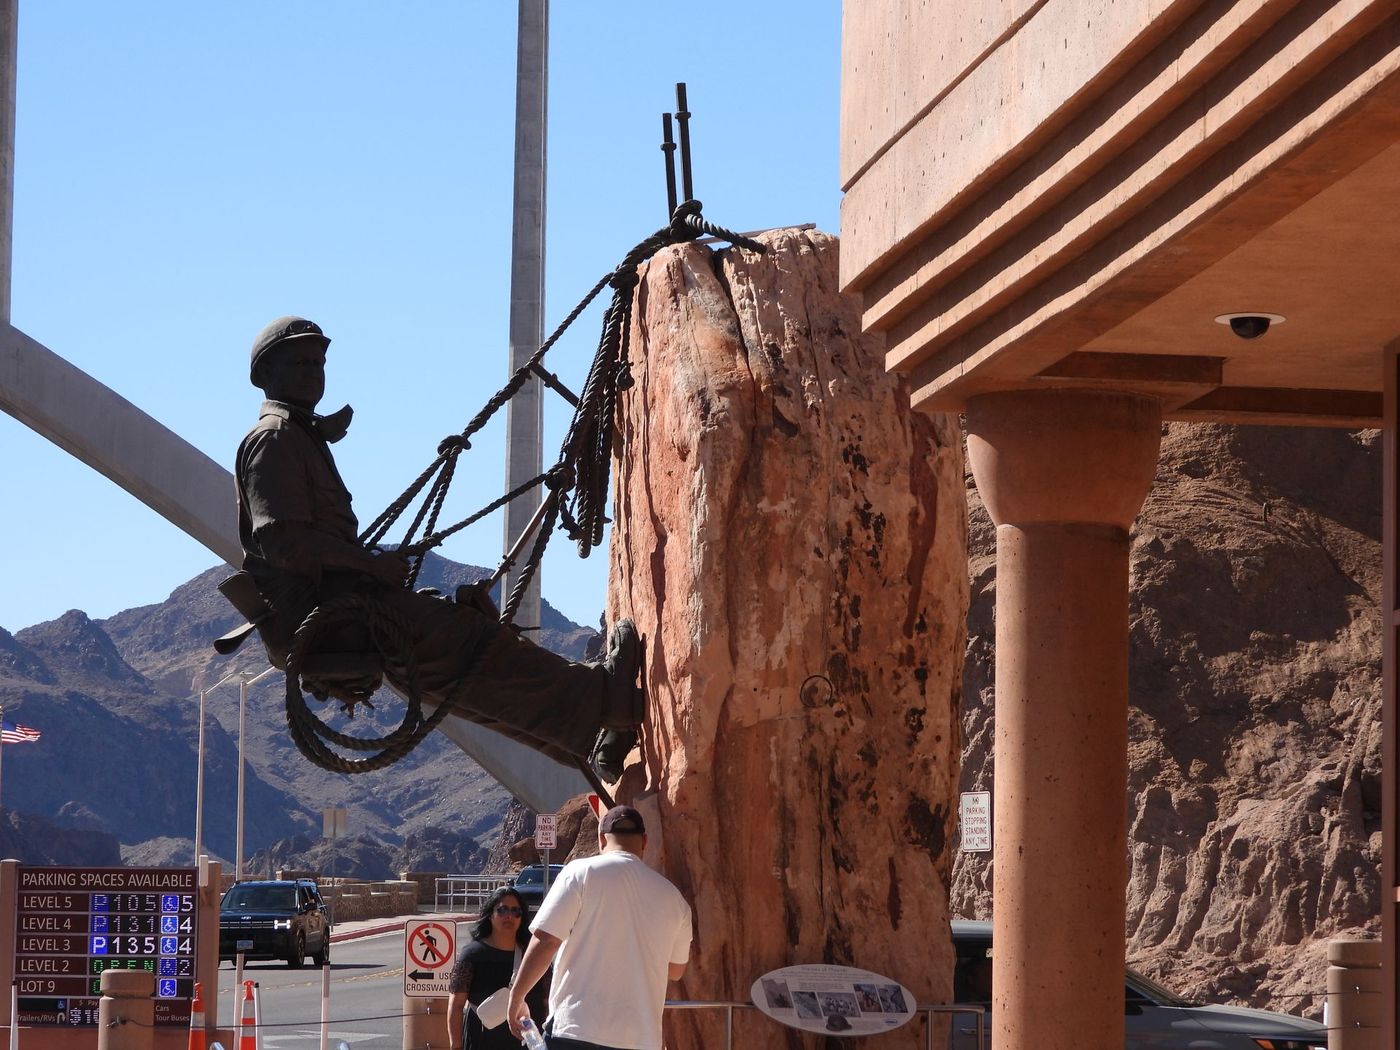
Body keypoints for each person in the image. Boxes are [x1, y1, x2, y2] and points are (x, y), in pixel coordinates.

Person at [224, 315, 642, 776]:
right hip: (330, 614)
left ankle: (589, 736)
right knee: (468, 641)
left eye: (319, 362)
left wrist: (370, 567)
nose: (313, 371)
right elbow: (284, 542)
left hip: (336, 610)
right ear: (264, 375)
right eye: (299, 361)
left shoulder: (298, 436)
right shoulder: (275, 439)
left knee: (449, 670)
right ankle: (606, 701)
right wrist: (371, 565)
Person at [506, 805, 692, 1050]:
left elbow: (547, 940)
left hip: (576, 1030)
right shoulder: (673, 898)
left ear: (601, 838)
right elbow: (676, 970)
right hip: (641, 1039)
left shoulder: (580, 873)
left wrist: (517, 996)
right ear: (644, 841)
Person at [447, 885, 549, 1050]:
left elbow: (547, 999)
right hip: (482, 1041)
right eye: (503, 910)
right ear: (490, 915)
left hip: (528, 1043)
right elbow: (456, 1006)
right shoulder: (472, 955)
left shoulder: (533, 955)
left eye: (516, 911)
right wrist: (456, 1046)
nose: (509, 916)